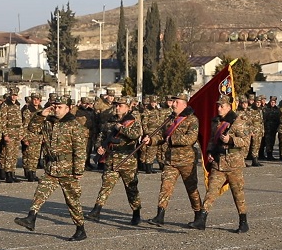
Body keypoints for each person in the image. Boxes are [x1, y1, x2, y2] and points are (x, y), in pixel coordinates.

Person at [14, 95, 89, 241]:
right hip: (51, 167)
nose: (56, 109)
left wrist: (79, 171)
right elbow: (32, 128)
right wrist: (41, 114)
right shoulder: (48, 121)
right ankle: (31, 218)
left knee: (72, 201)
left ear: (68, 108)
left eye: (60, 107)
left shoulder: (74, 125)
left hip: (67, 169)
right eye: (55, 106)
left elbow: (80, 150)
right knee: (40, 192)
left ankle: (80, 229)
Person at [192, 95, 250, 232]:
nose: (219, 108)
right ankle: (202, 219)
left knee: (238, 194)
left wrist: (231, 140)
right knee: (211, 191)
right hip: (218, 164)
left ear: (229, 107)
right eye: (218, 106)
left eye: (222, 106)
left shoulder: (238, 121)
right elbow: (212, 139)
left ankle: (243, 221)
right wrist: (210, 152)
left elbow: (246, 142)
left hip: (233, 164)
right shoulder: (216, 122)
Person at [143, 93, 201, 227]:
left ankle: (198, 216)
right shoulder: (169, 119)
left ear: (184, 104)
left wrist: (172, 140)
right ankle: (160, 215)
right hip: (170, 160)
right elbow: (162, 137)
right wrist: (151, 140)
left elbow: (190, 138)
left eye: (176, 102)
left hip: (187, 160)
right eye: (173, 102)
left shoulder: (192, 120)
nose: (173, 104)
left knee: (192, 189)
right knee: (165, 187)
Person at [85, 96, 143, 226]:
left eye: (120, 105)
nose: (117, 108)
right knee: (106, 186)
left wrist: (121, 128)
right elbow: (101, 135)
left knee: (131, 188)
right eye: (116, 105)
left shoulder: (133, 121)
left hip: (127, 159)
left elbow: (135, 135)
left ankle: (136, 213)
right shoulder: (110, 121)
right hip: (111, 158)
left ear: (128, 107)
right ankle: (96, 211)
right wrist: (100, 147)